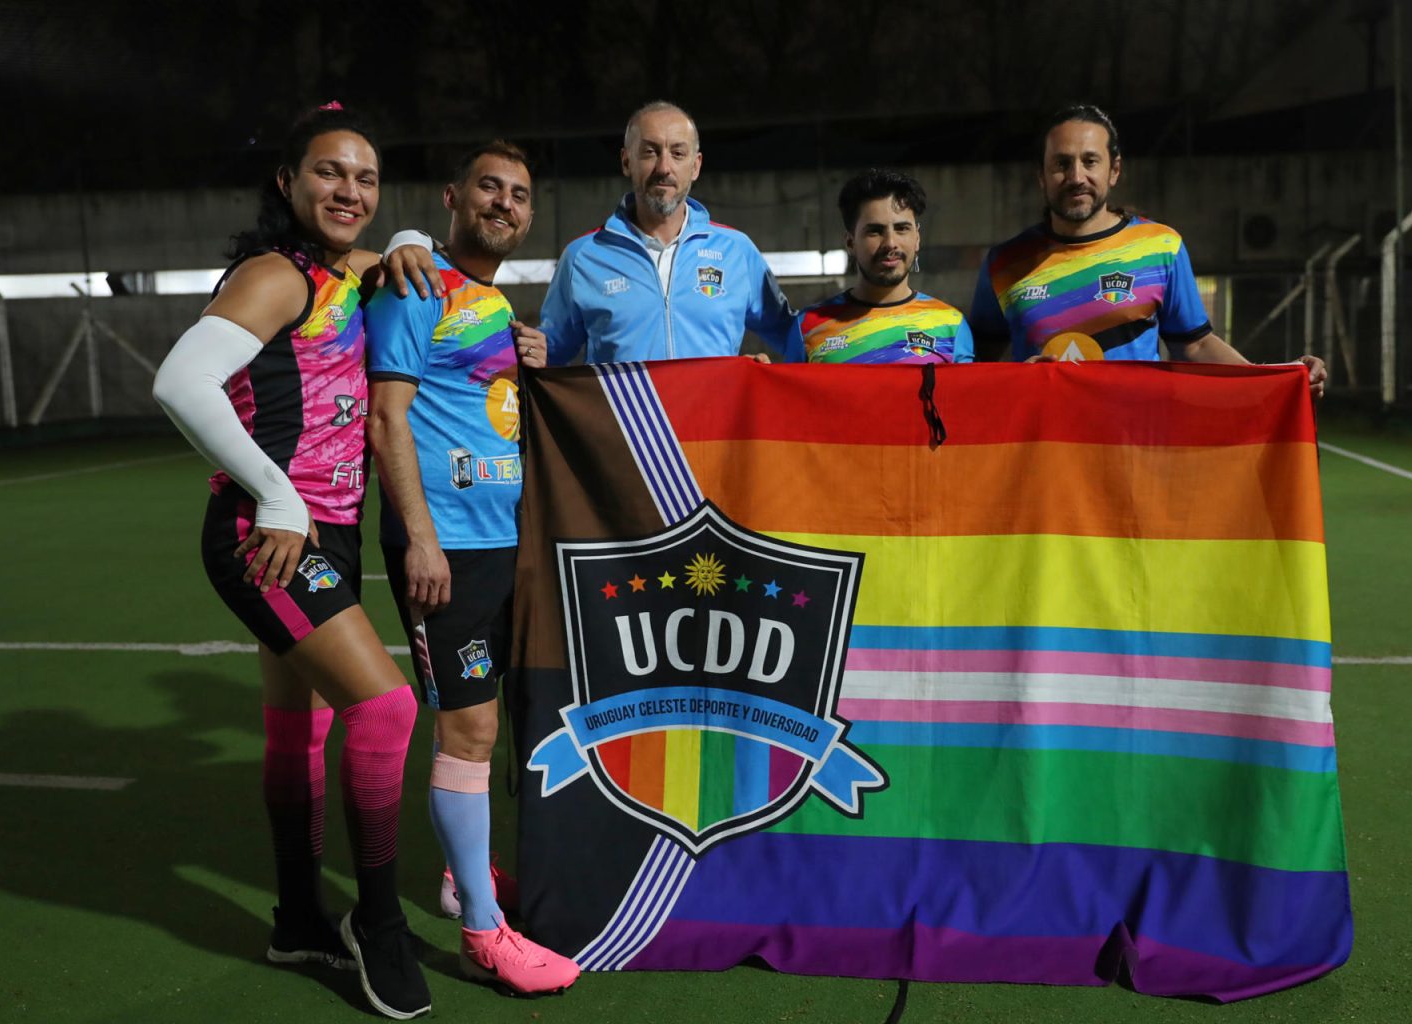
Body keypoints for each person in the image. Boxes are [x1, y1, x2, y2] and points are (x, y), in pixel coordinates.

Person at [151, 104, 431, 1021]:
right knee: (385, 709)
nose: (349, 190)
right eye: (328, 173)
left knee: (296, 729)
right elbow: (181, 381)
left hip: (324, 530)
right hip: (268, 532)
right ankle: (377, 926)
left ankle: (300, 918)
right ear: (287, 183)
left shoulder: (334, 271)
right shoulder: (276, 274)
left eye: (366, 177)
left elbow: (374, 267)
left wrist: (408, 240)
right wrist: (275, 493)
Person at [363, 141, 580, 996]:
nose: (505, 203)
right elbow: (388, 417)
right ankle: (486, 937)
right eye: (489, 187)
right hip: (442, 548)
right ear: (453, 197)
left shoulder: (487, 299)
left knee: (485, 724)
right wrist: (418, 538)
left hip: (498, 545)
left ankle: (467, 877)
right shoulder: (414, 284)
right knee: (469, 732)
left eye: (520, 195)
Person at [969, 103, 1327, 397]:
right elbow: (975, 369)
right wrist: (1013, 377)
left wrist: (1278, 381)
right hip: (1043, 461)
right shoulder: (1005, 263)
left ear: (1114, 170)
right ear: (1041, 176)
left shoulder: (1159, 248)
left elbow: (1196, 346)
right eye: (1061, 163)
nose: (1077, 176)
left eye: (1090, 161)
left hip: (1133, 454)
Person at [540, 100, 798, 363]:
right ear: (626, 161)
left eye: (677, 154)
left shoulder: (737, 251)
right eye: (650, 152)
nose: (664, 168)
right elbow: (547, 359)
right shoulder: (582, 257)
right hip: (624, 407)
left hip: (712, 407)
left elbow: (797, 339)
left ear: (695, 166)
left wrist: (758, 376)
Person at [789, 169, 974, 364]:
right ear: (850, 243)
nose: (890, 243)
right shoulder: (807, 326)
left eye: (902, 229)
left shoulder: (952, 327)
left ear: (917, 238)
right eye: (875, 231)